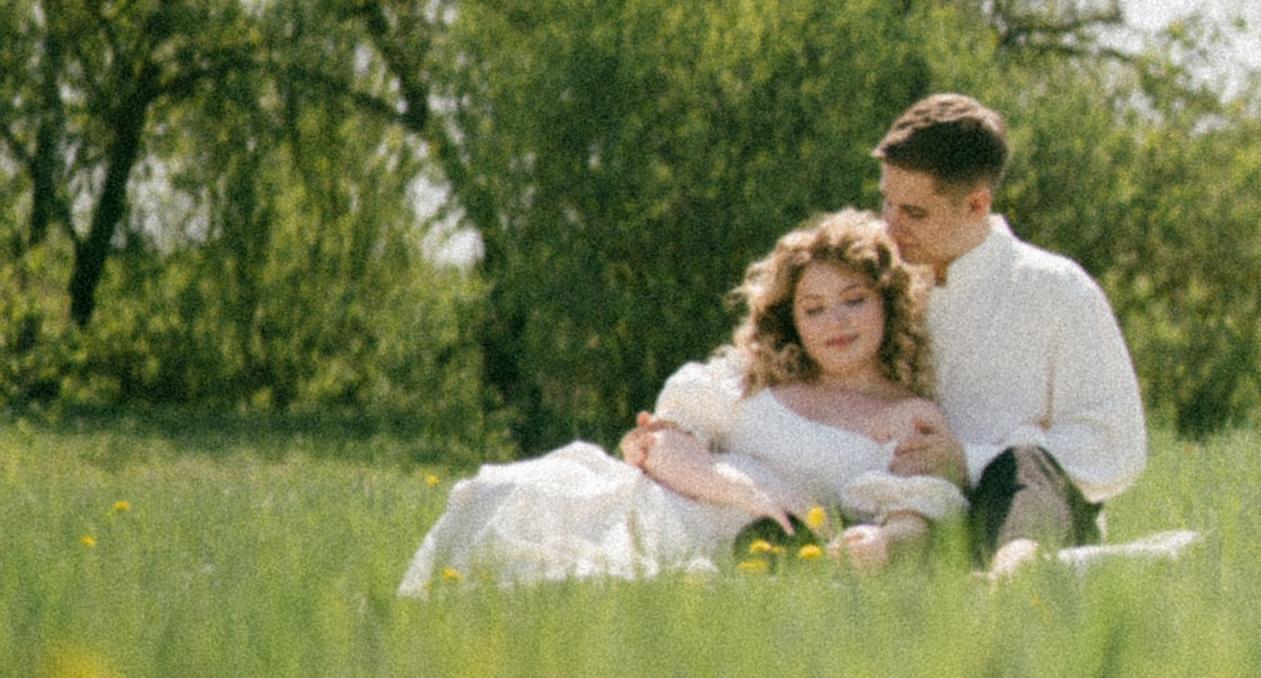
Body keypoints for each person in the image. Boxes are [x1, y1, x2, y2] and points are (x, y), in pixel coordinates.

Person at [398, 212, 968, 595]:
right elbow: (661, 448)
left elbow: (925, 510)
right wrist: (754, 493)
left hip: (747, 556)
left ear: (887, 304)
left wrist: (886, 543)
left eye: (853, 300)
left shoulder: (909, 414)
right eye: (813, 309)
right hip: (656, 507)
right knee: (507, 501)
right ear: (791, 319)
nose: (835, 323)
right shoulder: (752, 379)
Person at [868, 93, 1146, 572]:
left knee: (1023, 458)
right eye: (886, 203)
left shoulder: (1057, 289)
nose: (890, 228)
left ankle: (1013, 579)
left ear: (977, 204)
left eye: (914, 214)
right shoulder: (876, 292)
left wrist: (969, 459)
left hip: (1030, 511)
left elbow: (1116, 446)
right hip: (913, 507)